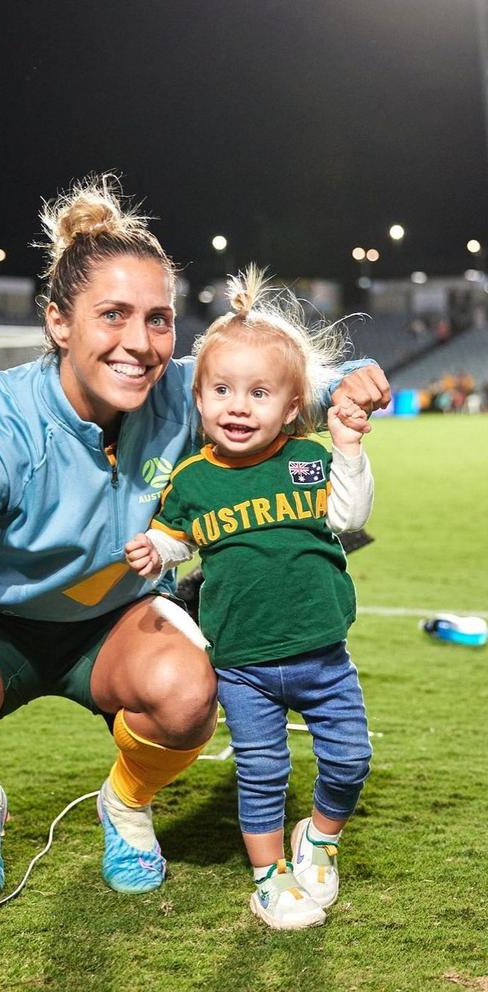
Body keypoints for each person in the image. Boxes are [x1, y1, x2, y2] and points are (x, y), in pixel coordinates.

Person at [0, 179, 390, 905]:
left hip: (116, 624)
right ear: (58, 322)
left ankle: (126, 803)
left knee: (189, 686)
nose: (140, 343)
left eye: (159, 320)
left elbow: (270, 384)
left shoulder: (179, 394)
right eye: (113, 316)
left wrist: (346, 387)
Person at [125, 266, 375, 929]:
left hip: (325, 655)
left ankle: (318, 838)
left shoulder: (306, 459)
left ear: (293, 407)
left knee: (351, 760)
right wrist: (158, 549)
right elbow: (179, 537)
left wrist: (347, 448)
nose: (239, 406)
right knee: (262, 772)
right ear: (200, 399)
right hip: (243, 665)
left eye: (259, 393)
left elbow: (349, 518)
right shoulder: (193, 478)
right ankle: (269, 878)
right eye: (222, 390)